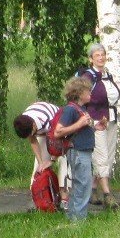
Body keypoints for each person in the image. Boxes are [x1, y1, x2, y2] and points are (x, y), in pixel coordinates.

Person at [78, 43, 120, 210]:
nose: (101, 57)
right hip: (96, 121)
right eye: (97, 55)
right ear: (91, 59)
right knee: (101, 156)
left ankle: (92, 190)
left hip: (111, 118)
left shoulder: (107, 75)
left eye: (103, 54)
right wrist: (89, 119)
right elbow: (81, 99)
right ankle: (107, 195)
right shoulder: (88, 77)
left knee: (109, 157)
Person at [51, 77, 97, 221]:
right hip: (78, 151)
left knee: (79, 185)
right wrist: (79, 124)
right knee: (83, 186)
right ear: (79, 93)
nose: (90, 93)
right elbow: (58, 132)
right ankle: (78, 220)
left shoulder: (81, 109)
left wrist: (97, 126)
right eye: (87, 91)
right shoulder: (70, 109)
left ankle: (72, 216)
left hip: (83, 151)